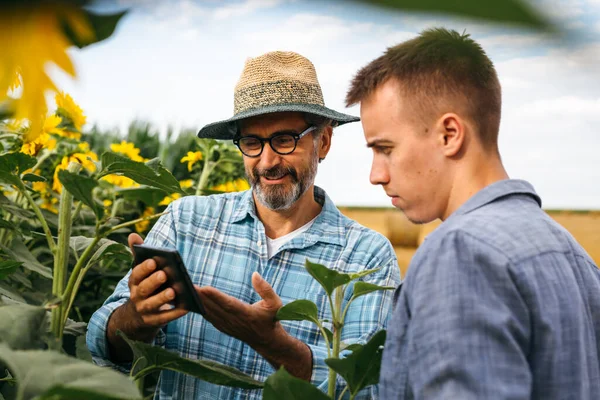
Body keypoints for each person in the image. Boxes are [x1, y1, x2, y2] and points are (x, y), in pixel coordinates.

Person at [87, 50, 400, 399]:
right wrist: (137, 317)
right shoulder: (185, 222)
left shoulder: (366, 258)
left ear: (322, 142)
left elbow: (366, 389)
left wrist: (274, 346)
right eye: (252, 143)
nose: (267, 162)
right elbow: (101, 341)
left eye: (284, 140)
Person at [346, 28, 600, 400]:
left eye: (385, 148)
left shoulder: (461, 253)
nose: (376, 175)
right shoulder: (573, 255)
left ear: (450, 134)